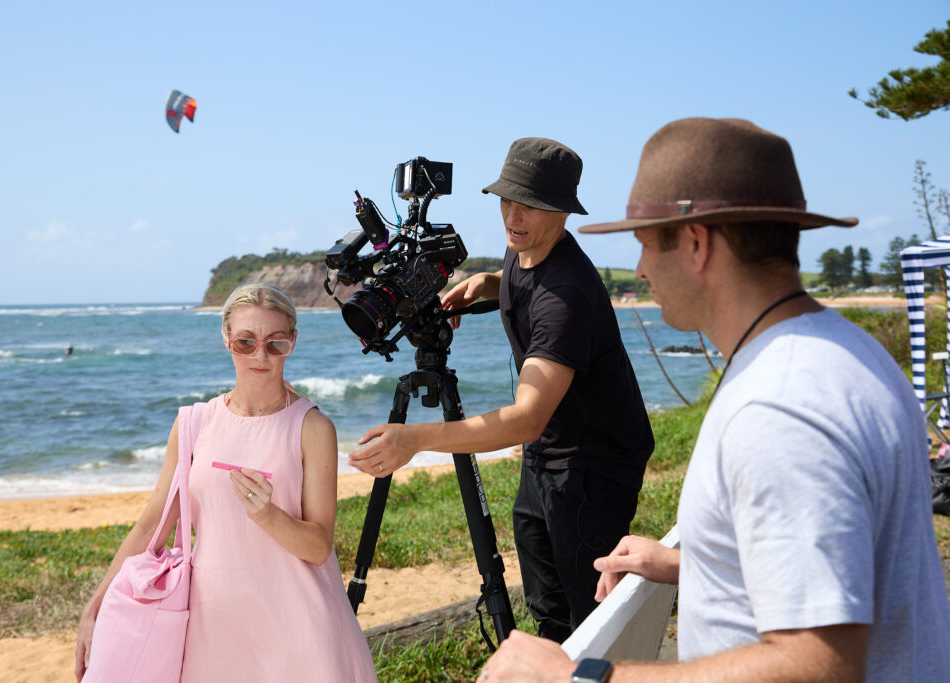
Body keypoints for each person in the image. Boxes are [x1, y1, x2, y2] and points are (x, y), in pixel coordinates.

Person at [478, 118, 950, 682]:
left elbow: (823, 665)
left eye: (648, 244)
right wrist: (689, 565)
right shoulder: (849, 352)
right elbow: (844, 570)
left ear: (697, 243)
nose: (642, 270)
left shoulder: (779, 408)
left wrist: (582, 677)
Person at [349, 137, 655, 642]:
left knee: (589, 615)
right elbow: (521, 277)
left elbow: (527, 417)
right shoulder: (528, 248)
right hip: (548, 457)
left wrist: (414, 440)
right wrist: (489, 283)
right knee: (544, 602)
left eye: (530, 205)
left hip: (593, 465)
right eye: (506, 200)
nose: (513, 215)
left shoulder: (566, 296)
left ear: (561, 211)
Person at [75, 283, 376, 682]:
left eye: (276, 343)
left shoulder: (313, 428)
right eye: (246, 342)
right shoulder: (193, 424)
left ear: (293, 342)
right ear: (226, 339)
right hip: (212, 630)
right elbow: (152, 526)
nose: (260, 355)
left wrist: (269, 515)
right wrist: (95, 606)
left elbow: (319, 547)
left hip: (300, 628)